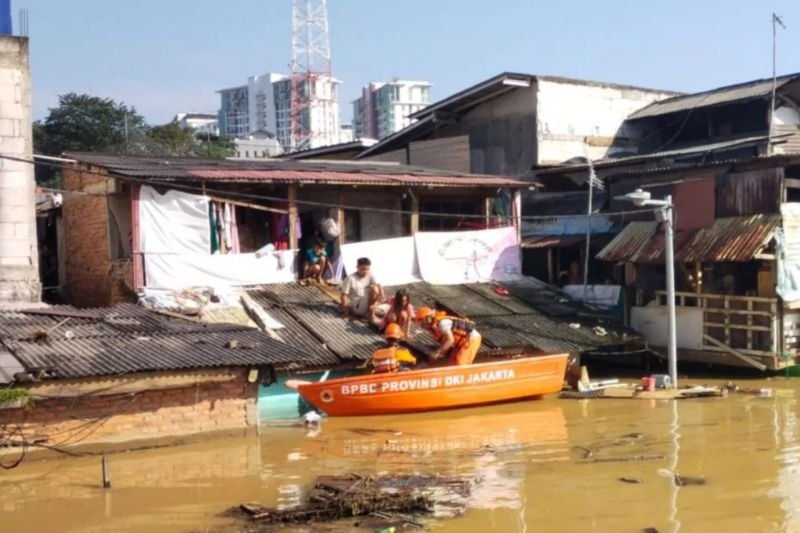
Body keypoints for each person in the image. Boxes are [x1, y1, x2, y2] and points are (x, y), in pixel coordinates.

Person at [415, 306, 482, 366]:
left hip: (470, 338)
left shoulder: (442, 323)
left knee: (460, 363)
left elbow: (450, 340)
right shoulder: (434, 328)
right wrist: (438, 355)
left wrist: (437, 352)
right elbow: (445, 343)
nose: (423, 326)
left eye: (423, 323)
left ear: (428, 318)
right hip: (459, 343)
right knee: (451, 364)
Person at [341, 257, 384, 321]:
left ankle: (371, 312)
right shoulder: (350, 278)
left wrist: (381, 294)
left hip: (368, 304)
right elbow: (343, 296)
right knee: (374, 289)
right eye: (363, 269)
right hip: (357, 306)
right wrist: (346, 314)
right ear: (357, 267)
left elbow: (378, 285)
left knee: (376, 288)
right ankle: (370, 314)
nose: (365, 271)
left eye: (367, 269)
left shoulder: (370, 274)